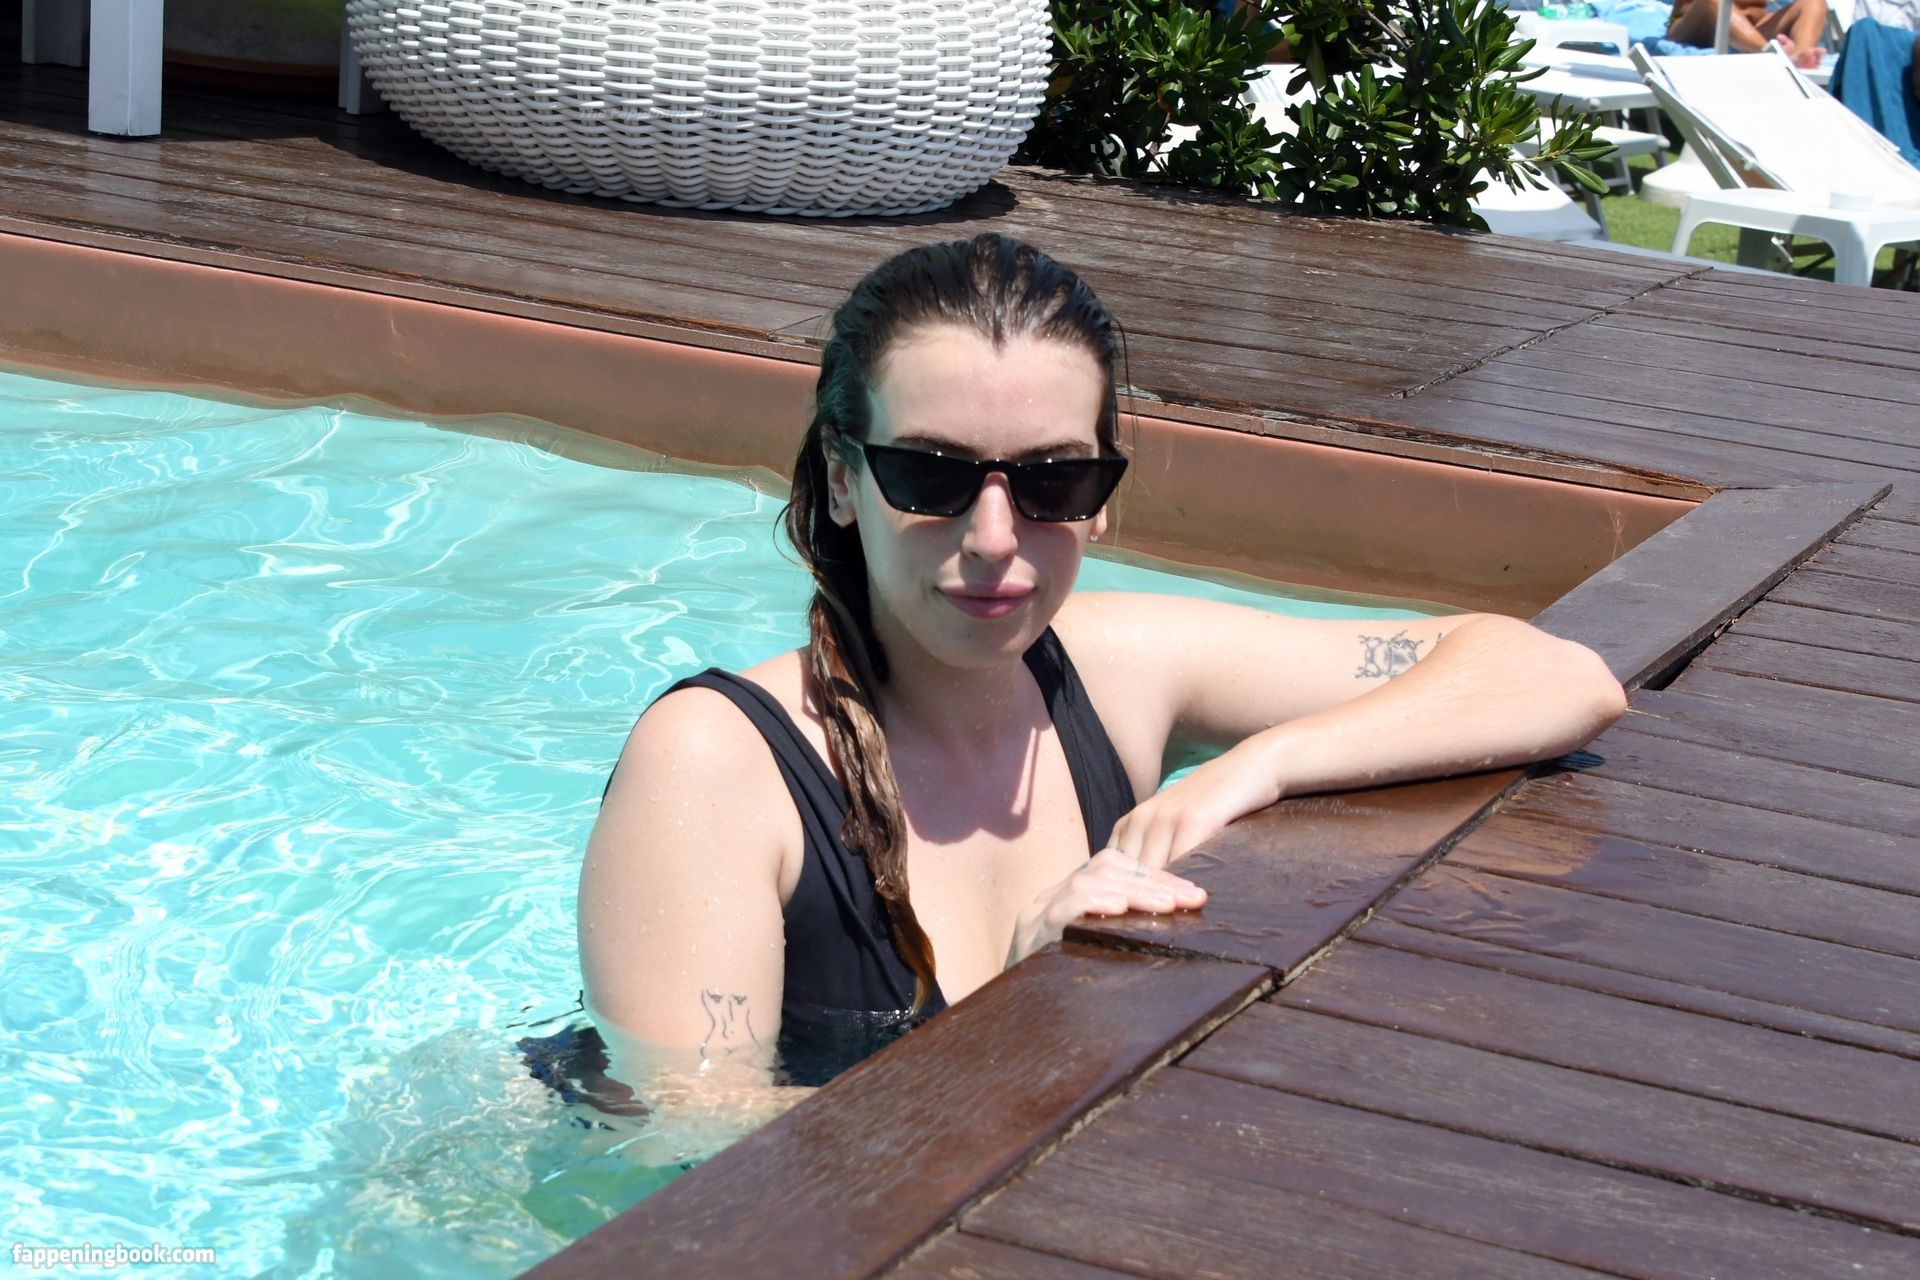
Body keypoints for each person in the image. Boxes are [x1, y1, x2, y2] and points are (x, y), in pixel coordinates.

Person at [570, 233, 1626, 1118]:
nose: (995, 537)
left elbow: (1554, 675)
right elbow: (680, 1140)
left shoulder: (1119, 671)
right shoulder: (718, 761)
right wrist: (1021, 1005)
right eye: (930, 474)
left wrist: (1257, 765)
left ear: (1104, 498)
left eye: (1053, 481)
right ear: (844, 481)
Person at [1664, 0, 1830, 66]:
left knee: (1813, 2)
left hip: (1748, 28)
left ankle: (1802, 55)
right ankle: (1770, 52)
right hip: (1694, 27)